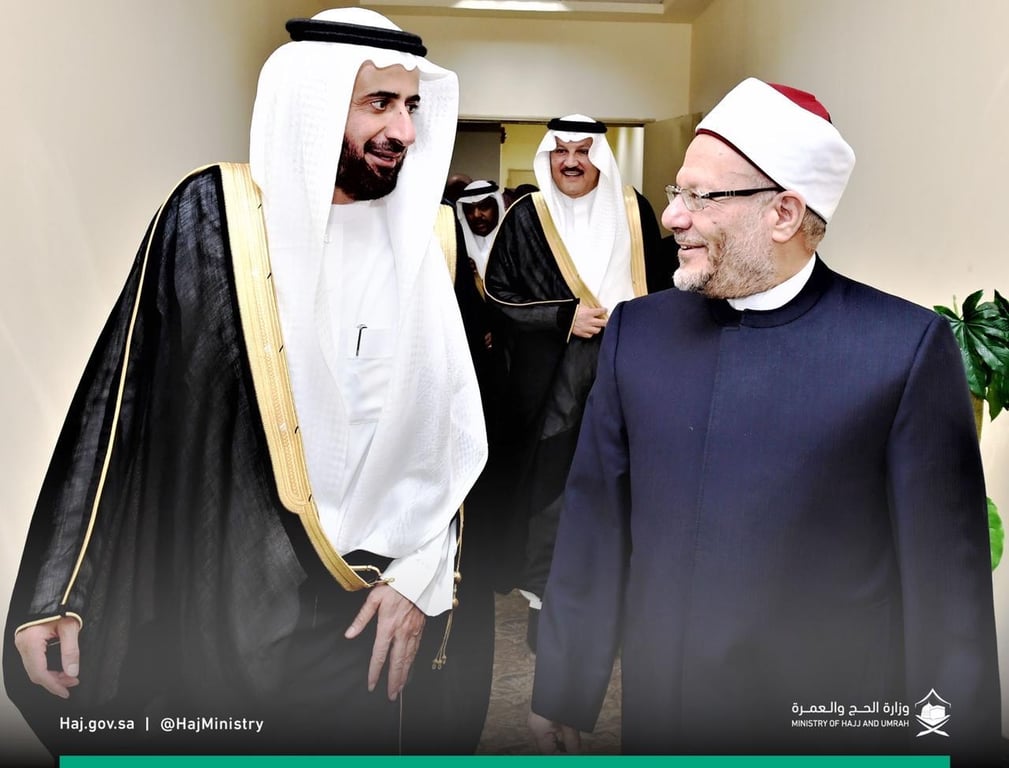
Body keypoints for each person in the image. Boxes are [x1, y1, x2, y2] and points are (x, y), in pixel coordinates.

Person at [4, 7, 487, 760]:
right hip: (225, 605)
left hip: (371, 611)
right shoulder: (210, 219)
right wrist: (59, 590)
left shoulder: (425, 243)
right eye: (378, 103)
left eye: (412, 106)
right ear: (312, 105)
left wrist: (420, 580)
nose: (404, 131)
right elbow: (119, 405)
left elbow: (450, 437)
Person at [528, 78, 1001, 766]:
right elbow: (595, 519)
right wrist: (564, 687)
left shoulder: (900, 348)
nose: (673, 217)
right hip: (667, 713)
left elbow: (944, 587)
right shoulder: (639, 332)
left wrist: (946, 743)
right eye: (677, 192)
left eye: (701, 197)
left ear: (783, 213)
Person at [483, 115, 668, 650]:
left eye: (583, 152)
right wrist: (563, 317)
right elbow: (497, 295)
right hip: (553, 373)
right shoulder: (526, 215)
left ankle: (619, 606)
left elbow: (663, 286)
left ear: (600, 158)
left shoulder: (633, 208)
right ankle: (546, 604)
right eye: (561, 151)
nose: (570, 162)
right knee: (554, 486)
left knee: (625, 480)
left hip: (630, 363)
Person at [455, 179, 505, 287]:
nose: (476, 215)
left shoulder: (513, 246)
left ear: (497, 207)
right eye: (469, 210)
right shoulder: (458, 251)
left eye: (484, 207)